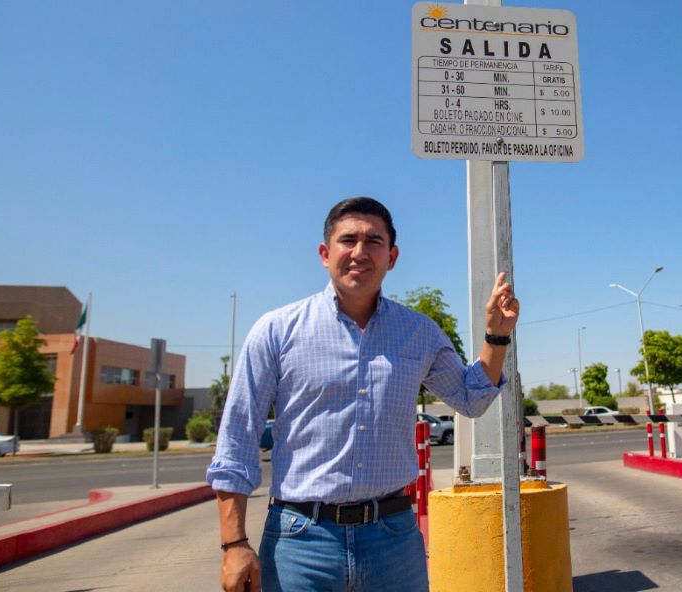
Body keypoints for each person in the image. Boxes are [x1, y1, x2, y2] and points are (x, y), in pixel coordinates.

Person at [207, 197, 519, 592]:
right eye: (348, 240)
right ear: (324, 253)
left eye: (373, 241)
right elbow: (237, 439)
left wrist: (497, 335)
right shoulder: (277, 331)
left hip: (393, 541)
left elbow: (470, 398)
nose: (359, 252)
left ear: (392, 256)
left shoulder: (418, 333)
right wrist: (234, 543)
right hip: (301, 544)